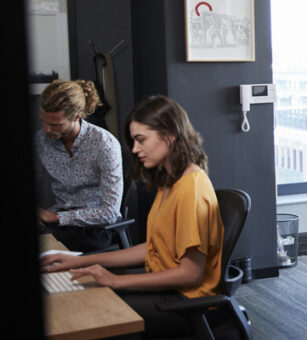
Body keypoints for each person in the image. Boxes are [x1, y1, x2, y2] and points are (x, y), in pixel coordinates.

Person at [41, 95, 225, 338]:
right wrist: (81, 261)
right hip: (167, 287)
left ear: (169, 135)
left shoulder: (190, 189)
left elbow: (190, 273)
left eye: (141, 140)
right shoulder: (171, 181)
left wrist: (115, 281)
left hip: (187, 301)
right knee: (86, 289)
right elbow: (154, 248)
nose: (136, 149)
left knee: (91, 310)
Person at [35, 79, 124, 252]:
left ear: (76, 117)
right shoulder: (41, 141)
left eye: (55, 124)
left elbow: (109, 212)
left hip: (95, 228)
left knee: (49, 250)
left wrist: (57, 217)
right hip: (59, 223)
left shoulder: (104, 144)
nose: (47, 129)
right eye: (43, 122)